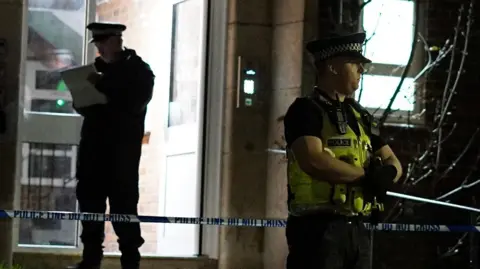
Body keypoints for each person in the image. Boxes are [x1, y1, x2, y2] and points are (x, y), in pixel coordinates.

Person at [283, 30, 403, 269]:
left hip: (358, 228)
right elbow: (313, 160)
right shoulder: (306, 110)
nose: (362, 70)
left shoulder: (360, 117)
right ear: (333, 67)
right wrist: (367, 177)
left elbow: (392, 161)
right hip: (317, 230)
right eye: (355, 64)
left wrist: (387, 175)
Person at [69, 22, 155, 269]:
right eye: (97, 45)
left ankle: (130, 263)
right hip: (93, 151)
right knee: (90, 208)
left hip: (122, 154)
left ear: (115, 42)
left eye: (101, 44)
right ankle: (91, 260)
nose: (99, 50)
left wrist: (101, 88)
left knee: (124, 210)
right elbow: (85, 105)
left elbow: (133, 104)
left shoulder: (139, 72)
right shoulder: (93, 71)